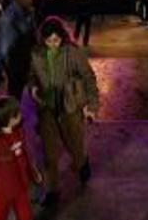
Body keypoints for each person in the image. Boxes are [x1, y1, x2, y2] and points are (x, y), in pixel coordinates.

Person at [28, 17, 98, 207]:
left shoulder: (72, 53)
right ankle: (52, 190)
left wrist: (92, 106)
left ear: (62, 37)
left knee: (74, 145)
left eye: (56, 40)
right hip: (47, 108)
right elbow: (32, 76)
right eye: (48, 41)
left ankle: (82, 162)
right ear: (43, 39)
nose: (53, 44)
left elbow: (88, 77)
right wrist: (33, 88)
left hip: (70, 106)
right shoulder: (36, 53)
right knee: (49, 152)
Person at [0, 0, 36, 98]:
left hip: (25, 65)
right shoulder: (9, 17)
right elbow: (4, 48)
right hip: (17, 67)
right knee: (17, 96)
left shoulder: (26, 12)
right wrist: (8, 69)